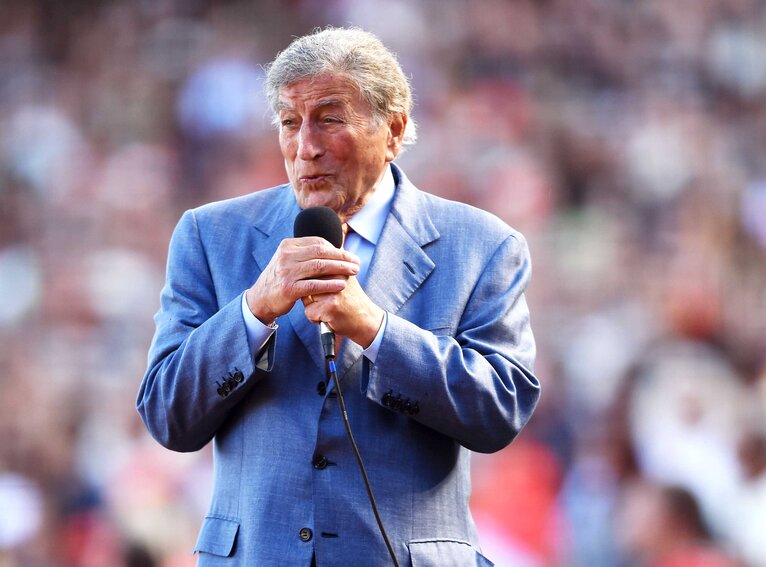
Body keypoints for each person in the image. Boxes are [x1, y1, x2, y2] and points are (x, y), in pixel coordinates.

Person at [137, 27, 540, 567]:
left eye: (329, 119)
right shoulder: (210, 236)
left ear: (393, 130)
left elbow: (501, 410)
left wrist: (374, 329)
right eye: (289, 123)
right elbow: (167, 415)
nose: (305, 147)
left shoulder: (483, 245)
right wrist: (253, 310)